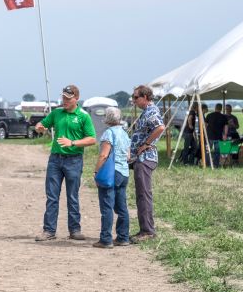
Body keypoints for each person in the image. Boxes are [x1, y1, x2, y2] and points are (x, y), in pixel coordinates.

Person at [34, 85, 96, 241]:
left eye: (68, 98)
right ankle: (49, 231)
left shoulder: (83, 116)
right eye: (63, 98)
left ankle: (75, 230)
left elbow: (92, 139)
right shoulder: (56, 113)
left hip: (74, 160)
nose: (65, 101)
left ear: (76, 98)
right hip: (55, 159)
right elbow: (41, 125)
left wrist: (73, 143)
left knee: (72, 196)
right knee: (52, 196)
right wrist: (39, 128)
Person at [129, 85, 165, 243]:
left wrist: (146, 144)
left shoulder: (151, 111)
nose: (133, 100)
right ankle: (145, 229)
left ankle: (148, 231)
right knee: (142, 195)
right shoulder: (147, 111)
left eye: (136, 97)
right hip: (141, 159)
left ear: (145, 97)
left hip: (145, 158)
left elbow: (160, 127)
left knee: (143, 195)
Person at [92, 107, 131, 249]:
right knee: (122, 207)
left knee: (107, 207)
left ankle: (106, 239)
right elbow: (128, 156)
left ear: (107, 119)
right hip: (124, 173)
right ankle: (123, 237)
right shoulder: (125, 133)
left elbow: (104, 155)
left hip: (110, 172)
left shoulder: (108, 133)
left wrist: (96, 172)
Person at [205, 103, 228, 168]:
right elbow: (226, 127)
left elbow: (205, 125)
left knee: (207, 151)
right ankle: (215, 164)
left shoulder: (209, 115)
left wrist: (205, 133)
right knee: (217, 152)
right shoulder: (223, 117)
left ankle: (207, 163)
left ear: (215, 108)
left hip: (209, 136)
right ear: (221, 109)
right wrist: (225, 135)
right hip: (218, 137)